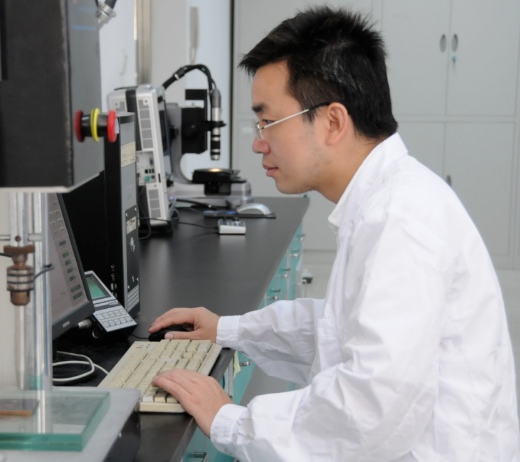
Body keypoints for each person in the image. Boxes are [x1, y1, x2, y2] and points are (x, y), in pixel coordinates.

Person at [149, 6, 520, 461]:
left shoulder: (401, 219)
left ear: (333, 122)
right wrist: (230, 330)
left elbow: (369, 410)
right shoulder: (387, 200)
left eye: (267, 122)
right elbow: (339, 327)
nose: (258, 142)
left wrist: (230, 420)